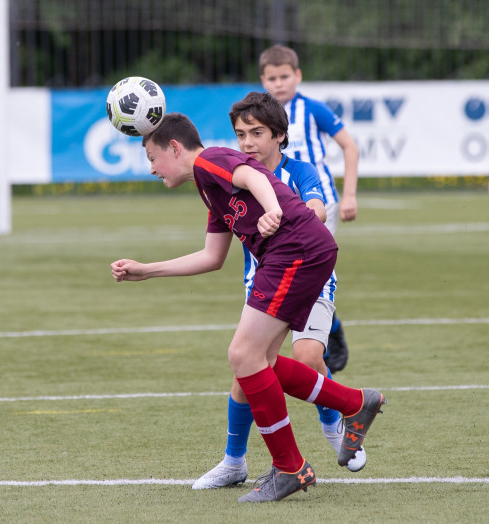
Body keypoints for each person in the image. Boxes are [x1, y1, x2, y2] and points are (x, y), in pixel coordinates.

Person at [110, 113, 386, 503]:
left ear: (174, 148)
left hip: (296, 251)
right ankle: (355, 403)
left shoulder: (212, 160)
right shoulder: (209, 188)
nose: (151, 168)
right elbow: (212, 257)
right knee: (261, 363)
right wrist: (146, 271)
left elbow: (254, 176)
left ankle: (290, 466)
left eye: (152, 158)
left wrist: (273, 209)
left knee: (242, 355)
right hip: (296, 253)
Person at [192, 92, 367, 491]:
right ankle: (233, 461)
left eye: (257, 133)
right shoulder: (229, 180)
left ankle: (334, 424)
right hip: (261, 286)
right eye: (241, 134)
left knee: (306, 357)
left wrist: (287, 216)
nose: (248, 142)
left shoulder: (298, 170)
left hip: (309, 278)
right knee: (246, 371)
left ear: (280, 136)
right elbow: (212, 252)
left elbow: (318, 209)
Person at [259, 44, 360, 373]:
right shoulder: (260, 118)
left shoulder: (313, 109)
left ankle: (325, 328)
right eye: (272, 78)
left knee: (312, 269)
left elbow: (349, 146)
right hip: (278, 207)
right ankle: (329, 326)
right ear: (263, 80)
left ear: (298, 76)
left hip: (319, 204)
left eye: (284, 76)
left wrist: (349, 195)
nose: (279, 83)